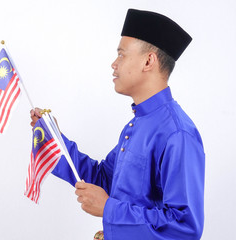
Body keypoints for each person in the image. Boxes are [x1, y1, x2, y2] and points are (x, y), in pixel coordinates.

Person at [30, 9, 205, 240]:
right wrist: (55, 141)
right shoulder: (137, 124)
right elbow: (103, 179)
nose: (114, 64)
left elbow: (185, 228)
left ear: (148, 60)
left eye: (121, 55)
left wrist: (109, 209)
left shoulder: (177, 133)